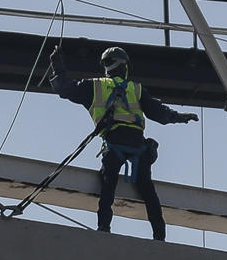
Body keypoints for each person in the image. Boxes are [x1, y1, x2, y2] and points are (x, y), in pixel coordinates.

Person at [49, 46, 198, 239]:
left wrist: (57, 64)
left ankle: (104, 227)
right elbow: (159, 112)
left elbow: (64, 88)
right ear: (125, 66)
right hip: (138, 146)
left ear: (106, 67)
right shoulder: (136, 89)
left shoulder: (95, 86)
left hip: (114, 144)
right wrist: (181, 117)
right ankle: (159, 236)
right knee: (148, 191)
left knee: (108, 184)